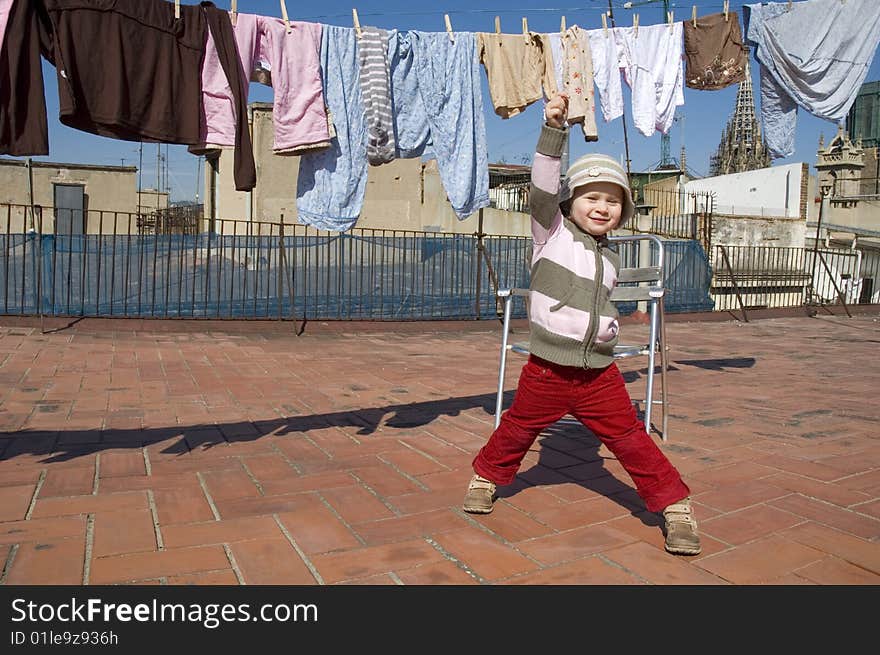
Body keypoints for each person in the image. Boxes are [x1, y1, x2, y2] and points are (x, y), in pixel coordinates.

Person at [462, 93, 701, 556]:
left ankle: (674, 504)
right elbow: (543, 187)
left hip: (598, 375)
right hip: (548, 369)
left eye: (614, 201)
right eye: (592, 197)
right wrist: (554, 130)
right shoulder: (549, 232)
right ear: (571, 203)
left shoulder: (610, 255)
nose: (602, 206)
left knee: (631, 437)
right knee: (517, 427)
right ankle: (486, 477)